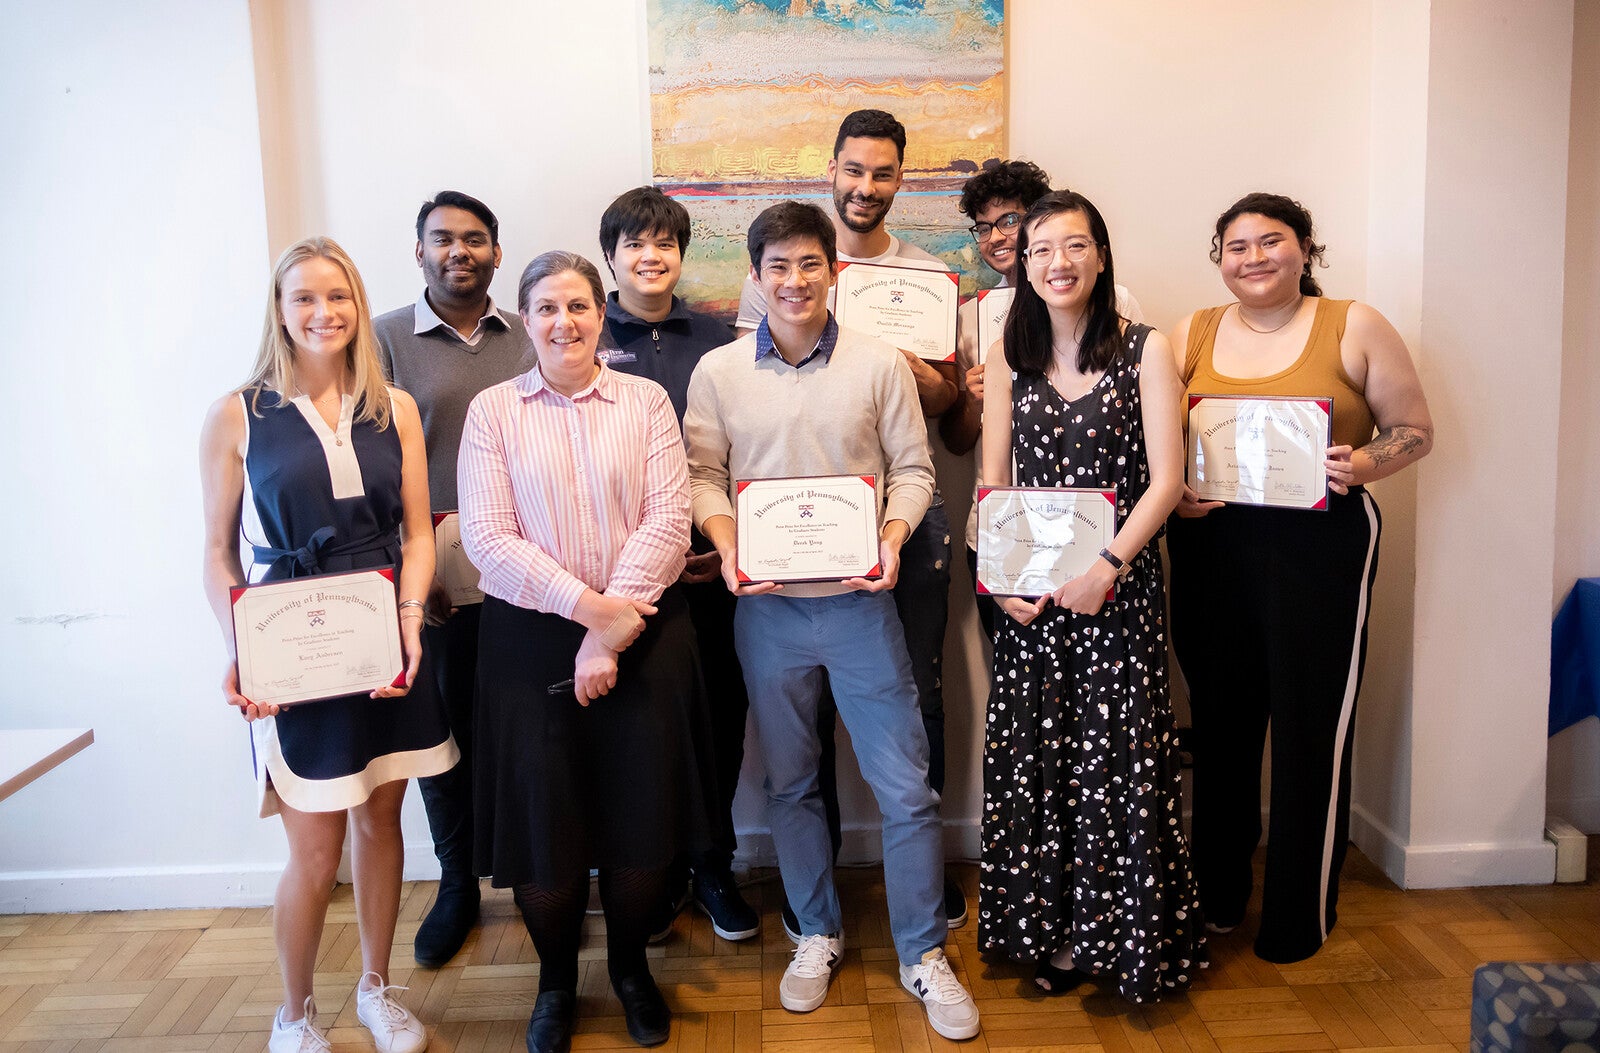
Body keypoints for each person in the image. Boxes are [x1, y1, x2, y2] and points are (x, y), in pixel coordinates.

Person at [684, 201, 980, 1041]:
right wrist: (726, 539)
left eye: (810, 264)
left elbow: (915, 468)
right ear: (756, 276)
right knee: (789, 783)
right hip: (767, 612)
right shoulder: (718, 374)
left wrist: (890, 535)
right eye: (778, 266)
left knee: (905, 788)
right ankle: (816, 931)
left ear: (832, 272)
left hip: (861, 606)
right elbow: (703, 474)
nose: (795, 280)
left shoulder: (880, 363)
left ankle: (924, 952)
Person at [458, 251, 715, 1052]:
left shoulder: (644, 402)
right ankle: (556, 980)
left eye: (578, 306)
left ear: (601, 314)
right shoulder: (491, 412)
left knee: (643, 815)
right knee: (547, 825)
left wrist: (613, 627)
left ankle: (633, 967)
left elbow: (670, 521)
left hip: (646, 632)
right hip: (530, 641)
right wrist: (590, 616)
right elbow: (488, 540)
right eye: (546, 308)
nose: (563, 323)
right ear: (524, 318)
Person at [1167, 192, 1433, 964]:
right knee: (1219, 725)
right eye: (1235, 245)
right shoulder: (1192, 331)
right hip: (1213, 545)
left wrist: (1365, 462)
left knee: (1312, 726)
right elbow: (1160, 436)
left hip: (1322, 543)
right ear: (1217, 255)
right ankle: (1217, 896)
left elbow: (1415, 430)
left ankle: (1298, 913)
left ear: (1306, 247)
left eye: (1270, 241)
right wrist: (1176, 484)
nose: (1252, 257)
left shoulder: (1355, 324)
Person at [201, 237, 451, 1053]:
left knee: (383, 817)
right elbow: (217, 551)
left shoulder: (397, 407)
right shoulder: (238, 414)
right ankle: (295, 1012)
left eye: (338, 295)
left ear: (357, 301)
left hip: (384, 630)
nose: (324, 312)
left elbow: (418, 534)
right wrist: (239, 642)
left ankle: (378, 989)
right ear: (279, 309)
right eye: (304, 297)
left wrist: (411, 620)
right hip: (293, 641)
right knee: (315, 848)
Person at [735, 107, 967, 935]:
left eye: (883, 172)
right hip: (789, 545)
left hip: (898, 528)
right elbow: (754, 397)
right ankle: (815, 905)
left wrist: (909, 374)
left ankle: (920, 898)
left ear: (900, 179)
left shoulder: (930, 278)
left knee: (913, 700)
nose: (866, 186)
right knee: (802, 734)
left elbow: (945, 415)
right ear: (832, 169)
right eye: (854, 170)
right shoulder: (778, 272)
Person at [978, 191, 1204, 1003]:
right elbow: (992, 479)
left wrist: (1106, 566)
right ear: (1023, 264)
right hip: (1034, 602)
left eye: (1075, 245)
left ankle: (1121, 937)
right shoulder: (1010, 354)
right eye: (1040, 248)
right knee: (1043, 763)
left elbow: (1168, 478)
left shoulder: (1147, 349)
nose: (1058, 262)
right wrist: (1002, 579)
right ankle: (1055, 931)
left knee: (1117, 763)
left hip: (1120, 592)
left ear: (1101, 257)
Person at [593, 186, 759, 944]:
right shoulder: (584, 333)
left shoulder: (724, 338)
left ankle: (712, 862)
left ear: (682, 255)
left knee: (722, 719)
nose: (650, 256)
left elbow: (747, 448)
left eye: (664, 243)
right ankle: (647, 870)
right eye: (634, 243)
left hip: (713, 567)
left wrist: (719, 544)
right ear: (611, 256)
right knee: (640, 730)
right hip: (617, 580)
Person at [374, 190, 531, 969]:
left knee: (521, 726)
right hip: (431, 573)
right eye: (442, 239)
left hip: (527, 567)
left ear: (497, 253)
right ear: (420, 251)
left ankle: (533, 872)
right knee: (443, 735)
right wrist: (410, 572)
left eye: (474, 239)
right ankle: (457, 882)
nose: (458, 251)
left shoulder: (533, 331)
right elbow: (367, 465)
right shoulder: (384, 341)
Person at [943, 161, 1145, 643]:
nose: (996, 237)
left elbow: (1136, 426)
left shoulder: (1121, 310)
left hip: (1099, 538)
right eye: (984, 227)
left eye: (1009, 221)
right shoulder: (970, 320)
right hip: (1006, 536)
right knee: (1023, 691)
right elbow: (957, 441)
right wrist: (977, 401)